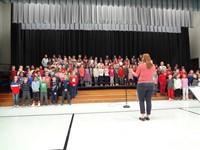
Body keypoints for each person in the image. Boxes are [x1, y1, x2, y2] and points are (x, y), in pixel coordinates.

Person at [132, 53, 156, 121]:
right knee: (149, 101)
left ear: (143, 58)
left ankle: (142, 116)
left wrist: (131, 71)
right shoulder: (153, 65)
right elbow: (154, 74)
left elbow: (136, 75)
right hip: (151, 84)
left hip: (142, 84)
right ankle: (147, 115)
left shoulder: (141, 66)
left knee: (141, 100)